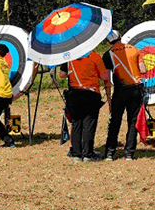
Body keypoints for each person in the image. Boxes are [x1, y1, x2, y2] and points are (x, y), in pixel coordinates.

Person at [102, 30, 147, 161]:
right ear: (120, 36)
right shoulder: (134, 49)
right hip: (136, 89)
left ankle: (110, 153)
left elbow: (106, 78)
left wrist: (109, 97)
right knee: (133, 121)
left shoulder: (108, 54)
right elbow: (143, 70)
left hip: (120, 90)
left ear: (108, 41)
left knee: (115, 121)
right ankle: (129, 154)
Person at [59, 51, 110, 162]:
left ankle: (76, 154)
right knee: (89, 124)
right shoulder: (95, 56)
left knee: (76, 123)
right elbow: (104, 76)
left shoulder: (70, 57)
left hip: (74, 94)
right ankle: (87, 154)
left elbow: (61, 75)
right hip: (91, 94)